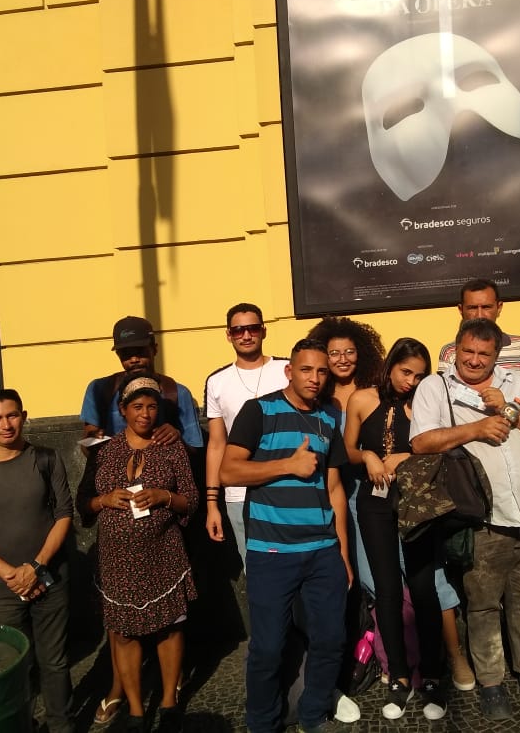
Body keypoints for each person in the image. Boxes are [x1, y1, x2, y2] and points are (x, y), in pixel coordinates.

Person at [412, 318, 520, 722]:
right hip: (480, 519)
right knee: (482, 606)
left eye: (484, 353)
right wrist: (476, 428)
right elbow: (422, 442)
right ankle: (492, 683)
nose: (475, 360)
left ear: (497, 354)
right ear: (456, 348)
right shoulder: (437, 386)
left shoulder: (516, 382)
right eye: (468, 351)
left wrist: (510, 411)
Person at [220, 338, 352, 733]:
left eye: (322, 371)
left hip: (323, 551)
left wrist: (343, 552)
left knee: (330, 640)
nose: (315, 378)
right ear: (289, 371)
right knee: (267, 649)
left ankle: (313, 715)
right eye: (306, 370)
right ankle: (262, 722)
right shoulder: (258, 411)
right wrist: (288, 465)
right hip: (271, 551)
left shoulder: (329, 417)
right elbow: (228, 471)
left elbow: (335, 489)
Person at [78, 374, 199, 733]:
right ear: (122, 410)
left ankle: (168, 702)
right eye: (137, 407)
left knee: (168, 630)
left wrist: (165, 496)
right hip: (117, 562)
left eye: (151, 406)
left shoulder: (172, 447)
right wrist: (104, 500)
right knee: (125, 634)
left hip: (164, 555)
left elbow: (190, 498)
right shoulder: (103, 450)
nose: (145, 414)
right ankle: (134, 709)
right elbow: (82, 505)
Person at [0, 389, 76, 733]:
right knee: (13, 665)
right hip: (2, 587)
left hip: (50, 577)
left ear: (23, 416)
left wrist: (35, 566)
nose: (6, 425)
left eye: (12, 416)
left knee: (54, 661)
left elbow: (64, 515)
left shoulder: (46, 459)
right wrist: (13, 574)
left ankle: (61, 725)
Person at [344, 338, 447, 720]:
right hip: (374, 503)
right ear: (390, 366)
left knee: (424, 589)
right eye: (406, 372)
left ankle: (433, 675)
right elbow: (347, 449)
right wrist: (369, 454)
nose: (412, 381)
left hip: (417, 504)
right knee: (387, 591)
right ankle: (399, 677)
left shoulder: (424, 402)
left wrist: (409, 454)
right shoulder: (362, 399)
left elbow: (440, 445)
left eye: (420, 375)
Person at [204, 302, 289, 565]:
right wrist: (212, 505)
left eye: (252, 328)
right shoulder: (217, 381)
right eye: (238, 330)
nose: (246, 335)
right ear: (228, 334)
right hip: (239, 495)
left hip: (288, 488)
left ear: (263, 330)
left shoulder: (288, 370)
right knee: (256, 572)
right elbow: (217, 445)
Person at [80, 315, 203, 449]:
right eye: (126, 353)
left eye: (140, 352)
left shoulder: (176, 392)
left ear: (154, 349)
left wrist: (176, 437)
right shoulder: (99, 389)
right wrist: (93, 440)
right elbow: (87, 446)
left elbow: (196, 448)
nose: (134, 359)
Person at [436, 278, 520, 401]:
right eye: (472, 308)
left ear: (499, 307)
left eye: (486, 307)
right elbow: (444, 397)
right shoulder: (450, 351)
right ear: (461, 310)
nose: (479, 315)